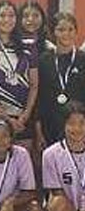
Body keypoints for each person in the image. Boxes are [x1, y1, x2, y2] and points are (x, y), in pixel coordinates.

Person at [0, 0, 38, 153]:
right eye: (2, 16)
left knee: (23, 162)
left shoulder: (29, 47)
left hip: (23, 116)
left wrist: (25, 115)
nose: (7, 20)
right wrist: (6, 118)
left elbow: (34, 85)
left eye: (11, 16)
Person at [42, 101, 85, 211]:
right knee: (57, 204)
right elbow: (57, 194)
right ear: (64, 125)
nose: (77, 129)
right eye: (72, 123)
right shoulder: (50, 154)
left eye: (82, 123)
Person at [36, 13, 85, 149]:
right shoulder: (44, 60)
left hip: (78, 128)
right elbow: (39, 98)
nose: (66, 34)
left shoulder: (83, 59)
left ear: (76, 32)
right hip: (50, 125)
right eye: (61, 30)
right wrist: (38, 132)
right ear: (53, 32)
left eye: (71, 29)